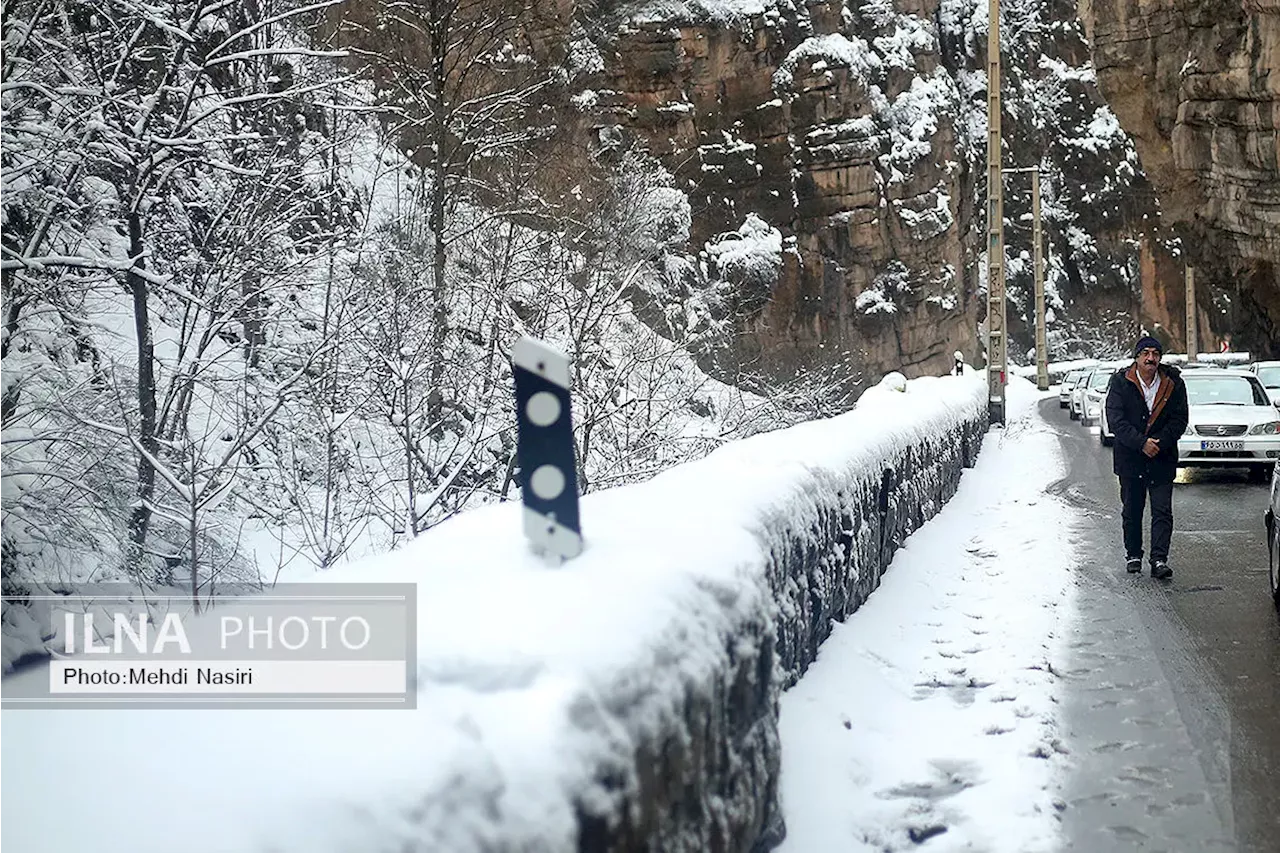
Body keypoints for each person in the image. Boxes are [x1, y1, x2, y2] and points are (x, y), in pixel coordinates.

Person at [1104, 336, 1189, 579]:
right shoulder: (1121, 382)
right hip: (1131, 459)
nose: (1150, 358)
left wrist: (1158, 443)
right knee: (1132, 509)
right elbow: (1115, 420)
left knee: (1162, 511)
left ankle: (1159, 559)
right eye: (1145, 353)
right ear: (1137, 357)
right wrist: (1141, 443)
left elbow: (1180, 419)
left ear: (1160, 357)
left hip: (1162, 457)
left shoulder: (1174, 382)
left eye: (1155, 353)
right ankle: (1133, 554)